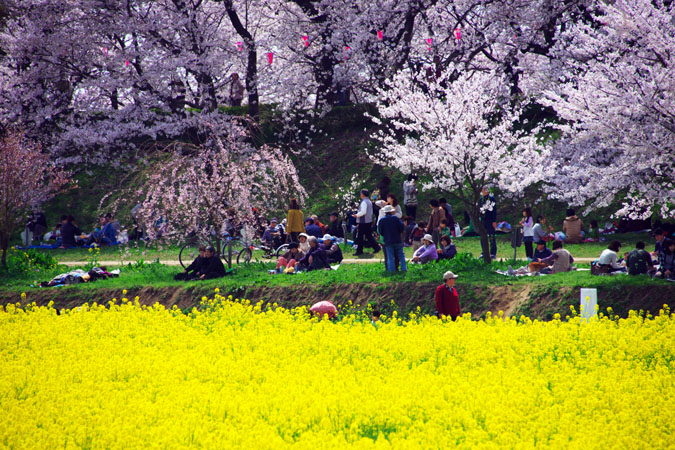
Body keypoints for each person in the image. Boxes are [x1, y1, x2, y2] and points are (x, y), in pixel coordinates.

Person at [378, 205, 407, 273]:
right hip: (397, 239)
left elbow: (380, 231)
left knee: (390, 256)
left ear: (385, 212)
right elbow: (402, 228)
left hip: (388, 240)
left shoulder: (382, 220)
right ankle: (404, 269)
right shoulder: (396, 219)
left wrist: (385, 235)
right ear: (392, 211)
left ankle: (391, 271)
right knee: (401, 255)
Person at [353, 189, 380, 256]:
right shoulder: (369, 201)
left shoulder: (364, 202)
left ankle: (359, 250)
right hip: (368, 221)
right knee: (368, 235)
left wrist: (357, 215)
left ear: (362, 194)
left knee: (360, 236)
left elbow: (363, 212)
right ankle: (376, 247)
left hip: (363, 221)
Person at [479, 186, 497, 258]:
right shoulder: (481, 199)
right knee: (483, 236)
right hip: (483, 220)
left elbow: (494, 210)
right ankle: (484, 252)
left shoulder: (491, 198)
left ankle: (493, 253)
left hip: (490, 219)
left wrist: (494, 220)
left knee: (491, 236)